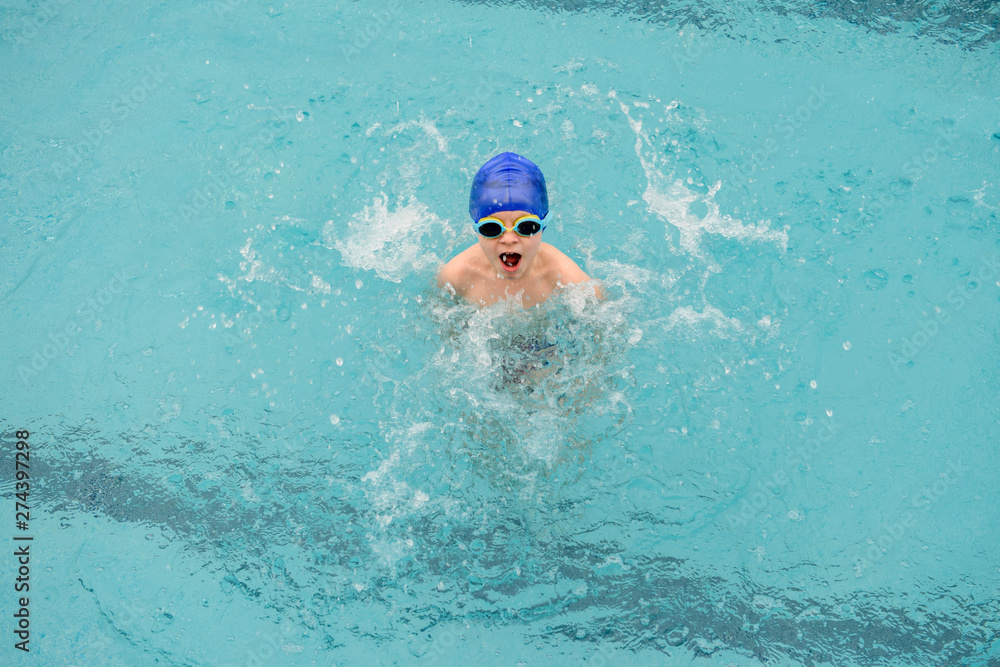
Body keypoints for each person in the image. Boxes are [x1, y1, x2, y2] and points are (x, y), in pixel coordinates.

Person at [437, 152, 602, 308]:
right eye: (491, 228)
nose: (508, 239)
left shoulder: (568, 280)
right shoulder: (455, 277)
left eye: (526, 227)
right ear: (476, 230)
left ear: (543, 226)